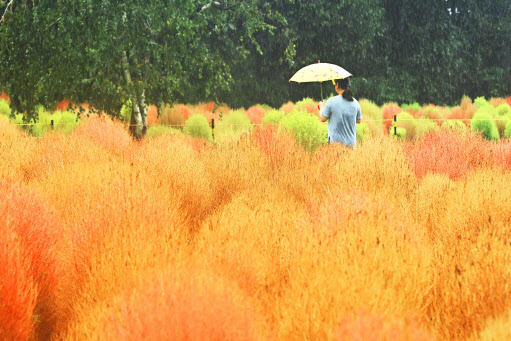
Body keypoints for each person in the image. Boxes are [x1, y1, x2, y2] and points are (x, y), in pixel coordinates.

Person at [319, 77, 362, 147]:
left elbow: (322, 119)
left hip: (336, 145)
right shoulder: (355, 103)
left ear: (337, 85)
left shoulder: (331, 102)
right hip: (351, 145)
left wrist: (321, 107)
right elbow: (359, 120)